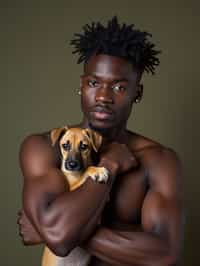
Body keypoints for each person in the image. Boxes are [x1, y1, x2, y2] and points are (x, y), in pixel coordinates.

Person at [17, 16, 184, 265]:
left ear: (136, 93)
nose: (103, 97)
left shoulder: (158, 160)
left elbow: (164, 254)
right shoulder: (44, 147)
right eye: (94, 83)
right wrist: (108, 167)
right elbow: (59, 239)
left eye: (118, 87)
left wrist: (51, 230)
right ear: (82, 86)